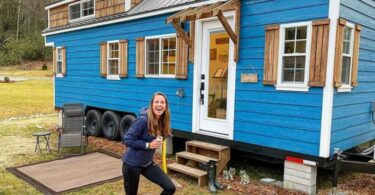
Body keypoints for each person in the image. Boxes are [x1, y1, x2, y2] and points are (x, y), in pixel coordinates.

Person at [122, 92, 176, 195]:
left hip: (147, 163)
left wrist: (164, 135)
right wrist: (148, 145)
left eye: (162, 102)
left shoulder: (163, 121)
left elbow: (164, 135)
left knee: (170, 188)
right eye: (156, 102)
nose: (159, 104)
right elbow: (128, 139)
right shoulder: (143, 120)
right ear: (151, 104)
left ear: (166, 106)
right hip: (131, 165)